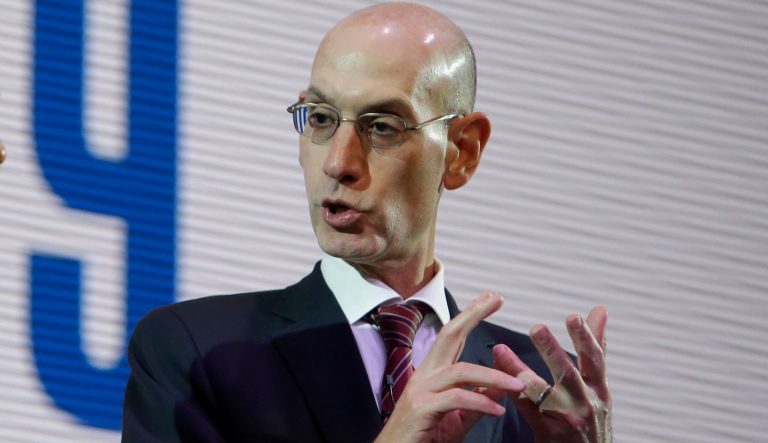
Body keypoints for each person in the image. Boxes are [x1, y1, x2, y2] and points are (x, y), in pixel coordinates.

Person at [122, 3, 611, 442]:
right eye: (320, 119)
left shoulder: (533, 390)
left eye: (382, 126)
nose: (337, 162)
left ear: (462, 152)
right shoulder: (196, 352)